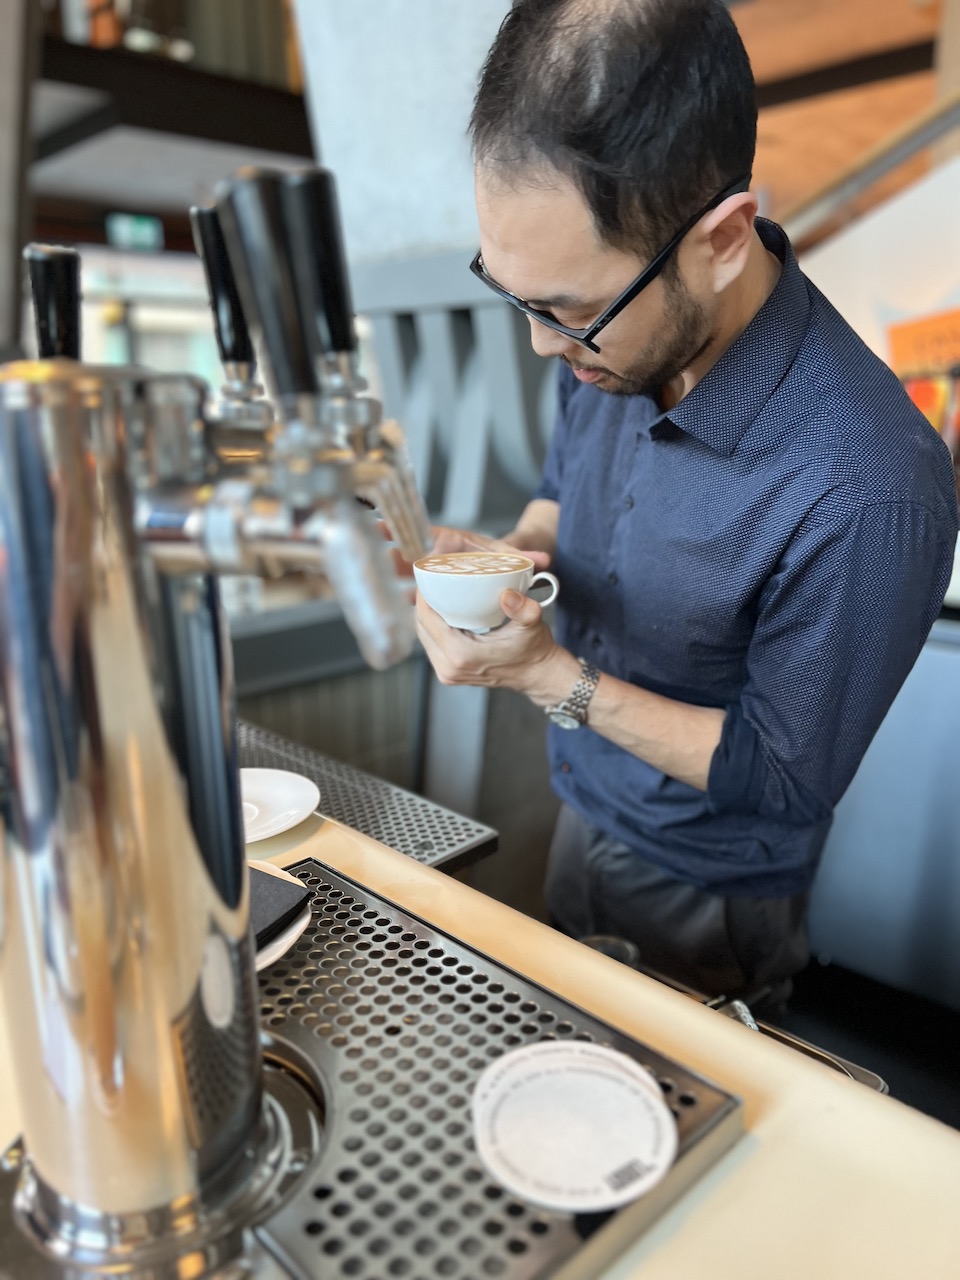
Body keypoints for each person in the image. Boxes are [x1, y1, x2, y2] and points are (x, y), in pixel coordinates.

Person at [413, 0, 959, 1016]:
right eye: (517, 298)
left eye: (569, 314)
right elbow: (562, 488)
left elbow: (779, 779)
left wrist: (548, 677)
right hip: (580, 799)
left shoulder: (873, 481)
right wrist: (514, 552)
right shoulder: (608, 342)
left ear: (721, 239)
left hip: (707, 885)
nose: (544, 349)